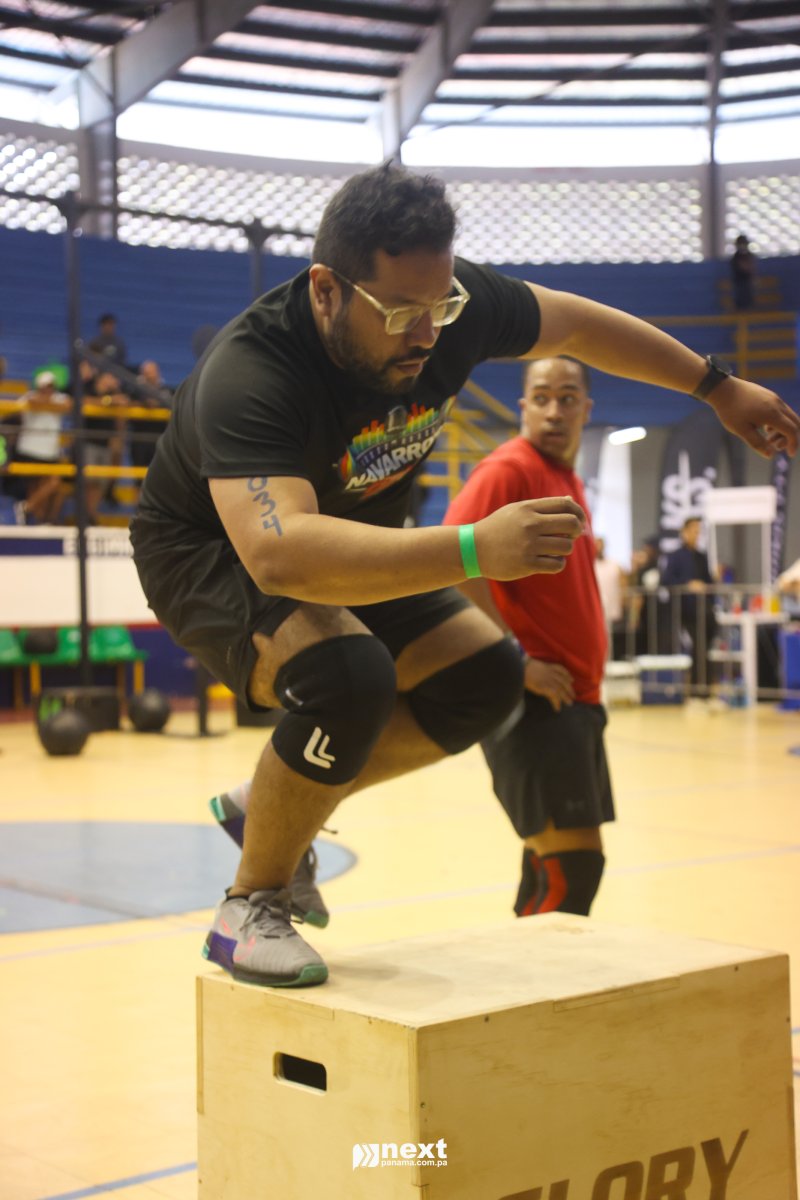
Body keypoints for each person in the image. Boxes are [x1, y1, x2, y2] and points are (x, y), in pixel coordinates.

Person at [129, 162, 799, 991]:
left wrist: (715, 386)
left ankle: (263, 803)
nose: (425, 334)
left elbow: (575, 325)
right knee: (349, 675)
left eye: (439, 307)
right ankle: (250, 906)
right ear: (327, 290)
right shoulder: (254, 371)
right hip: (212, 553)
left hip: (346, 536)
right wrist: (477, 550)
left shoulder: (448, 309)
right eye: (399, 313)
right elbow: (281, 554)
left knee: (486, 677)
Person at [443, 357, 611, 917]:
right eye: (541, 398)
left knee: (548, 870)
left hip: (573, 698)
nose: (554, 411)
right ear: (523, 407)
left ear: (586, 409)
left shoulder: (565, 478)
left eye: (567, 398)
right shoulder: (509, 469)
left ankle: (526, 973)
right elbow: (451, 562)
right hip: (537, 701)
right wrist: (515, 659)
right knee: (573, 869)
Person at [660, 516, 720, 695]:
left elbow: (708, 582)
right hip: (686, 610)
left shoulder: (701, 556)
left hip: (704, 610)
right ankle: (696, 688)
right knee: (697, 646)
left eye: (698, 531)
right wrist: (688, 585)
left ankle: (705, 687)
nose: (696, 534)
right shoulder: (676, 556)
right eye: (693, 530)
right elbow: (666, 580)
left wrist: (712, 582)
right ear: (684, 532)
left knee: (706, 647)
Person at [9, 370, 72, 524]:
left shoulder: (60, 398)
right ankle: (36, 520)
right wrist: (47, 404)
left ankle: (26, 508)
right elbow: (28, 404)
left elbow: (67, 405)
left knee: (52, 483)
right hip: (30, 450)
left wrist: (45, 403)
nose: (48, 390)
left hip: (50, 452)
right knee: (34, 488)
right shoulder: (30, 396)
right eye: (45, 386)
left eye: (51, 386)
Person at [593, 535, 627, 659]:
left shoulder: (614, 564)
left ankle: (607, 660)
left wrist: (622, 602)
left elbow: (623, 584)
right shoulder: (590, 564)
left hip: (609, 606)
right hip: (593, 605)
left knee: (607, 635)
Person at [730, 235, 756, 311]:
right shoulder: (736, 256)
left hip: (747, 282)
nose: (742, 246)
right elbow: (741, 267)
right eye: (741, 243)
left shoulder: (749, 255)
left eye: (744, 243)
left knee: (748, 292)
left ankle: (748, 307)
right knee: (740, 293)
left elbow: (751, 268)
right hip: (739, 282)